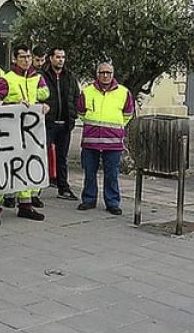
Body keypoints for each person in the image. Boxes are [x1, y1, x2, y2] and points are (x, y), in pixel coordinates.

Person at [0, 45, 49, 223]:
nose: (27, 60)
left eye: (28, 57)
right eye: (22, 57)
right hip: (7, 132)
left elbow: (44, 96)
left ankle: (25, 206)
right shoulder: (6, 79)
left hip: (29, 132)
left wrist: (43, 106)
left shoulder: (38, 78)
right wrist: (12, 107)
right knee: (3, 169)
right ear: (14, 59)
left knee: (27, 166)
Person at [75, 62, 134, 215]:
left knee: (112, 174)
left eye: (108, 72)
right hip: (91, 141)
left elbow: (128, 113)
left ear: (113, 74)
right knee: (89, 172)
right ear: (97, 74)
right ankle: (88, 200)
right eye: (102, 73)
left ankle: (112, 203)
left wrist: (117, 126)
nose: (105, 75)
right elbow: (81, 112)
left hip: (113, 142)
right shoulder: (87, 92)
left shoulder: (123, 92)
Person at [43, 47, 81, 200]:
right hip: (47, 123)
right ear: (51, 58)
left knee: (62, 158)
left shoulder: (70, 77)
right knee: (41, 156)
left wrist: (73, 115)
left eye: (63, 57)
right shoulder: (42, 76)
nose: (60, 60)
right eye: (57, 57)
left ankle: (63, 187)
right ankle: (36, 191)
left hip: (65, 123)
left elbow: (76, 97)